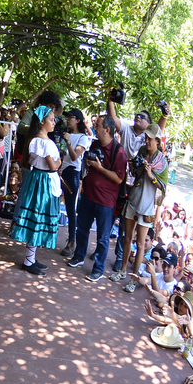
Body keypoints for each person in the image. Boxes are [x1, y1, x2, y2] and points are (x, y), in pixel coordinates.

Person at [67, 115, 127, 281]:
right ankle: (79, 256)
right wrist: (88, 163)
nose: (94, 126)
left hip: (106, 202)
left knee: (102, 237)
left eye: (98, 125)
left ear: (107, 129)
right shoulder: (95, 144)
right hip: (88, 195)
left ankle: (98, 268)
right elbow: (88, 163)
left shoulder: (119, 152)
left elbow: (119, 178)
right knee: (82, 229)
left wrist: (99, 168)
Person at [113, 124, 167, 291]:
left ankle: (133, 279)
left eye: (151, 139)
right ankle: (122, 270)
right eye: (147, 138)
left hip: (147, 205)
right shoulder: (142, 151)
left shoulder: (162, 162)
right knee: (127, 237)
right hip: (134, 198)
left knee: (141, 244)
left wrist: (151, 175)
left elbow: (162, 187)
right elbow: (135, 173)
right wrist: (136, 166)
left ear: (157, 141)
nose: (148, 141)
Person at [10, 106, 62, 275]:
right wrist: (59, 161)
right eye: (51, 119)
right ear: (42, 121)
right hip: (43, 182)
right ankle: (29, 259)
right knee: (37, 217)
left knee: (37, 217)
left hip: (42, 180)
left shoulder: (39, 140)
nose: (54, 123)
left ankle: (31, 257)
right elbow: (53, 165)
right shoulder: (42, 142)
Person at [58, 110, 90, 259]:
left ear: (77, 120)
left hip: (72, 173)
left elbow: (74, 156)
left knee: (71, 208)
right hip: (61, 170)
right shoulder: (65, 133)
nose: (67, 120)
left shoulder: (83, 138)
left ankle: (72, 241)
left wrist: (69, 142)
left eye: (70, 117)